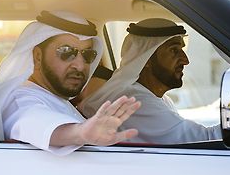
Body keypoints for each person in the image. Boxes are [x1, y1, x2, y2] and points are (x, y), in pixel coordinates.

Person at [0, 10, 141, 155]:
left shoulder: (51, 97)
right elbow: (35, 122)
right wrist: (81, 133)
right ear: (38, 57)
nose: (79, 65)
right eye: (66, 52)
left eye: (87, 54)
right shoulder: (21, 100)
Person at [80, 18, 221, 143]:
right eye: (174, 50)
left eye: (182, 50)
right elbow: (203, 140)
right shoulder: (134, 101)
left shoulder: (156, 98)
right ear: (146, 58)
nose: (185, 60)